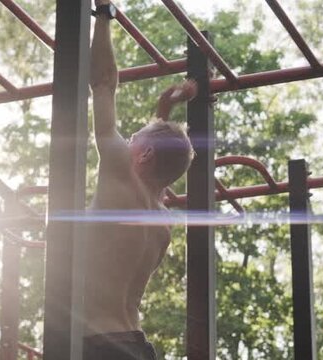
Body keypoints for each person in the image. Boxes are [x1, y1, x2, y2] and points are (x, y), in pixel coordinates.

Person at [84, 1, 196, 359]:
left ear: (143, 155)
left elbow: (103, 84)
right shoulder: (162, 222)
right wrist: (163, 115)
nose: (126, 140)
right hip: (135, 345)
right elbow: (163, 167)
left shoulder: (121, 169)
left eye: (135, 138)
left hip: (99, 346)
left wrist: (103, 14)